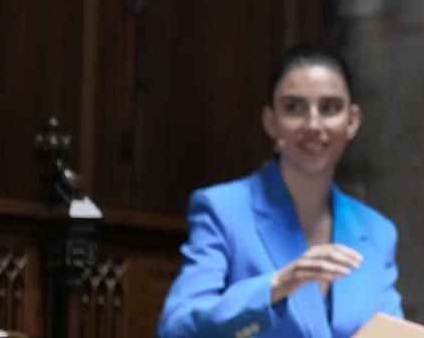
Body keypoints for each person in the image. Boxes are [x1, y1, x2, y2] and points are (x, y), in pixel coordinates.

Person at [158, 46, 402, 338]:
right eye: (294, 107)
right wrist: (278, 285)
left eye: (330, 108)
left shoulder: (377, 232)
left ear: (351, 121)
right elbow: (176, 328)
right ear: (270, 121)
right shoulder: (223, 209)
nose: (313, 124)